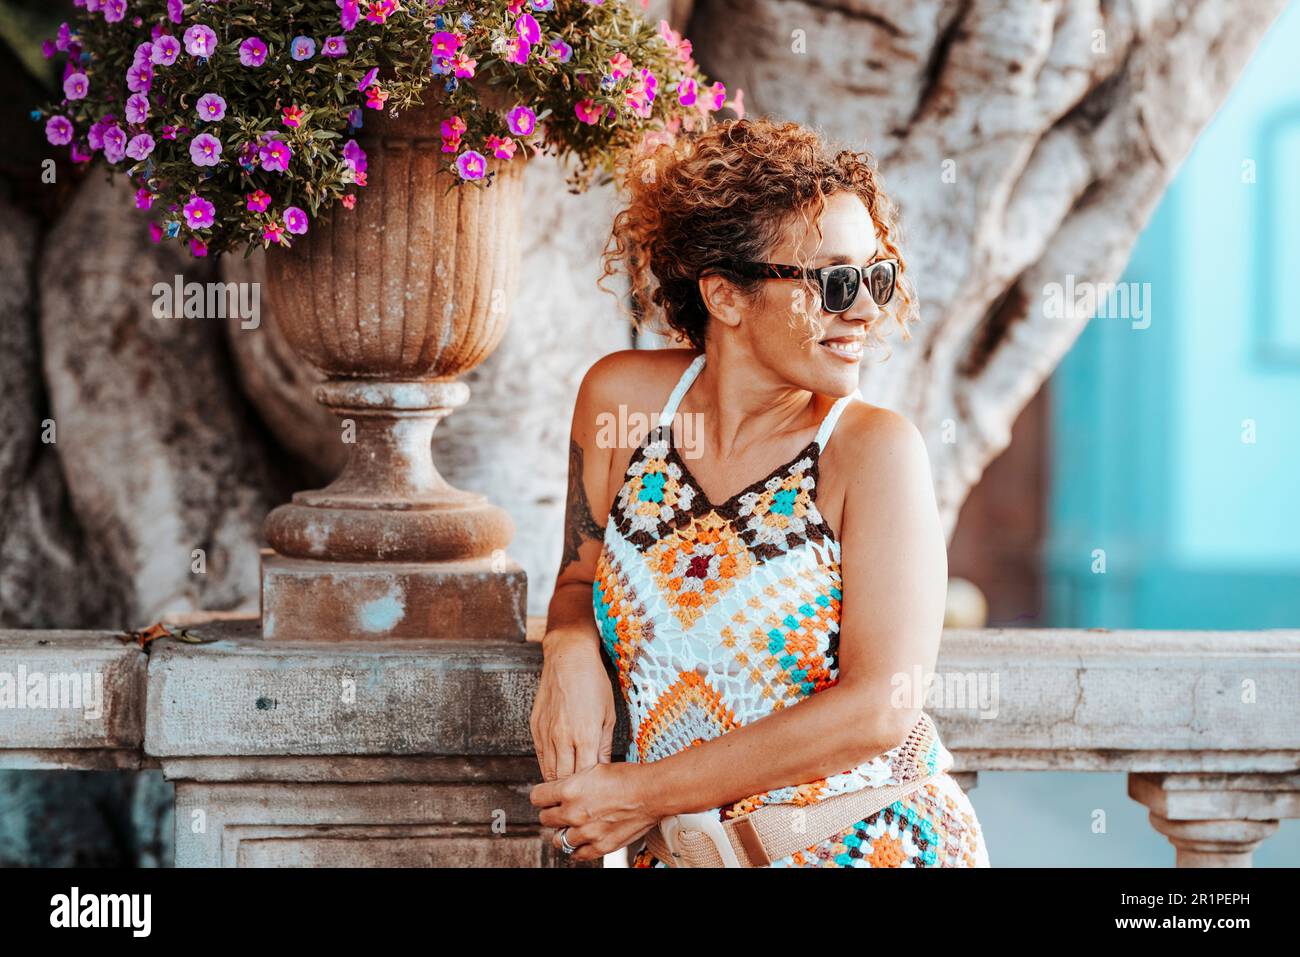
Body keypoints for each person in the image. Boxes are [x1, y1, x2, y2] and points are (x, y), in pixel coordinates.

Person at [528, 117, 990, 868]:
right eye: (835, 282)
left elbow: (882, 703)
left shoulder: (872, 450)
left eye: (877, 276)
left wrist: (643, 793)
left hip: (875, 847)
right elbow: (580, 574)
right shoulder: (624, 403)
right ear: (726, 296)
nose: (867, 310)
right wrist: (571, 645)